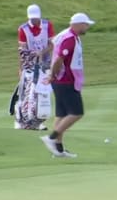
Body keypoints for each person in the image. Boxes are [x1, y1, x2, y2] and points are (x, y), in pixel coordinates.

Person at [40, 13, 95, 158]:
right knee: (77, 112)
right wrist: (52, 74)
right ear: (77, 24)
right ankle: (51, 138)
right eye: (85, 24)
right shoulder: (69, 38)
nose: (87, 27)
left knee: (61, 114)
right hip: (66, 80)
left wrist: (53, 75)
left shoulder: (65, 34)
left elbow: (53, 45)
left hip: (60, 80)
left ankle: (58, 149)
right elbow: (59, 59)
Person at [12, 4, 55, 130]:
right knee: (25, 93)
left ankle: (37, 122)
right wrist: (21, 68)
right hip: (29, 65)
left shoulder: (47, 25)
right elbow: (22, 51)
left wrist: (41, 53)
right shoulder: (23, 29)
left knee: (41, 94)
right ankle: (19, 120)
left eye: (36, 18)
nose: (34, 20)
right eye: (32, 18)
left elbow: (52, 44)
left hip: (44, 64)